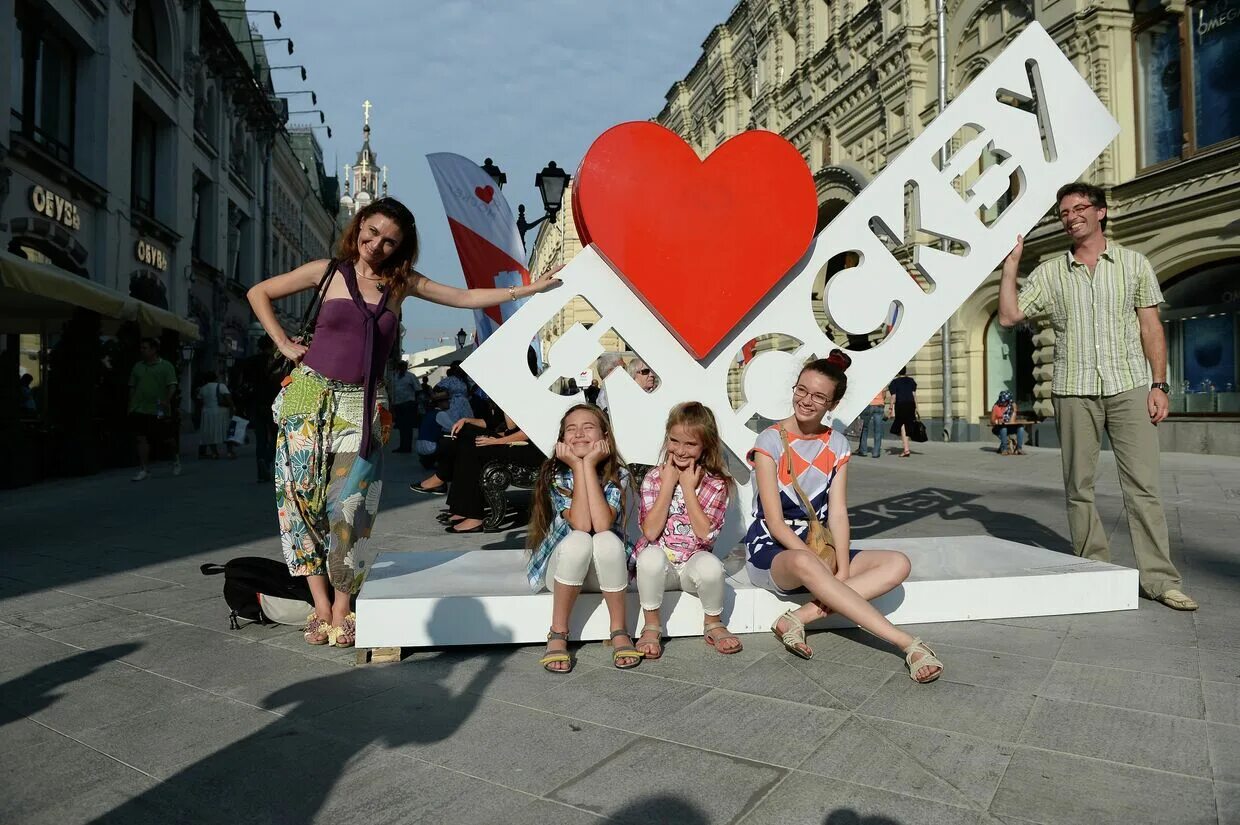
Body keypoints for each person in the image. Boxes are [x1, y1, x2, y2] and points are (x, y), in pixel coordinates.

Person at [247, 196, 561, 648]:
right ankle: (320, 607)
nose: (376, 245)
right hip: (306, 397)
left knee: (350, 506)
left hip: (363, 404)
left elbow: (462, 297)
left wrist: (525, 290)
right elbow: (259, 292)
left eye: (389, 241)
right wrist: (283, 341)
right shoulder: (326, 271)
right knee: (301, 505)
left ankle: (342, 604)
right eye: (371, 233)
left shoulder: (401, 284)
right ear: (358, 228)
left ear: (401, 247)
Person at [999, 181, 1197, 611]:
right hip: (1073, 391)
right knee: (1078, 486)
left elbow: (1151, 327)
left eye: (1080, 208)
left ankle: (1160, 580)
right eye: (1064, 212)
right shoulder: (1051, 271)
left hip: (1128, 385)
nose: (1071, 217)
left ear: (1101, 212)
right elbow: (1010, 314)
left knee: (1143, 486)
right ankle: (1095, 570)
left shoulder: (1133, 264)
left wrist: (1159, 385)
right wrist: (1011, 266)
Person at [744, 351, 943, 682]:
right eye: (802, 390)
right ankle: (906, 643)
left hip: (819, 545)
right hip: (773, 550)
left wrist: (844, 571)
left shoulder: (837, 444)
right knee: (808, 564)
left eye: (819, 396)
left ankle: (797, 618)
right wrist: (820, 564)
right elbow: (775, 522)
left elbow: (837, 512)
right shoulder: (769, 440)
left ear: (831, 405)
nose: (806, 401)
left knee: (898, 563)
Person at [525, 404, 641, 672]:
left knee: (607, 539)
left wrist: (587, 465)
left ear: (604, 436)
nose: (578, 434)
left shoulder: (618, 474)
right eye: (570, 429)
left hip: (605, 572)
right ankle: (558, 631)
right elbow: (580, 523)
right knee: (579, 539)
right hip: (564, 572)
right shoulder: (555, 473)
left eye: (588, 427)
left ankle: (619, 629)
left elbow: (600, 524)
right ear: (562, 439)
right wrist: (578, 467)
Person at [633, 402, 740, 659]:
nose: (680, 450)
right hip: (661, 568)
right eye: (674, 441)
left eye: (690, 444)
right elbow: (650, 532)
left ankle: (713, 622)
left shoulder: (717, 483)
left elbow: (705, 534)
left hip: (692, 562)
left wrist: (689, 489)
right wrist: (669, 483)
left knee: (711, 565)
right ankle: (651, 625)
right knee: (649, 556)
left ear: (706, 445)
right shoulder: (655, 478)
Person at [435, 410, 544, 534]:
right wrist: (466, 420)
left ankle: (474, 517)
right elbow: (493, 421)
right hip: (512, 440)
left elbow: (528, 430)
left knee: (474, 448)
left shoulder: (524, 398)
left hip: (531, 450)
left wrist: (497, 441)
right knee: (466, 432)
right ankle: (460, 509)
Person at [128, 337, 181, 481]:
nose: (142, 350)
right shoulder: (137, 366)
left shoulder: (166, 366)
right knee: (141, 438)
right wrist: (131, 405)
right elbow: (132, 387)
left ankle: (175, 459)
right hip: (140, 408)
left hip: (159, 408)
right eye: (141, 348)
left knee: (167, 438)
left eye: (145, 348)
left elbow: (172, 386)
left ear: (154, 349)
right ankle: (144, 469)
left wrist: (166, 401)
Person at [239, 337, 283, 482]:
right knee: (276, 435)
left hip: (256, 403)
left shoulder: (249, 362)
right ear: (271, 346)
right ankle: (268, 459)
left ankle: (261, 463)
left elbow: (244, 383)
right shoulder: (276, 362)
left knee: (260, 437)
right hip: (273, 402)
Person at [195, 370, 236, 460]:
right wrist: (233, 409)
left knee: (211, 432)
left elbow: (199, 402)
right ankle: (229, 452)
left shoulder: (203, 388)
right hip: (221, 412)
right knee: (226, 431)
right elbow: (229, 399)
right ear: (215, 378)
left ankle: (214, 453)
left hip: (207, 413)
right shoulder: (221, 386)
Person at [414, 388, 453, 469]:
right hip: (429, 447)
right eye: (446, 401)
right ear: (440, 403)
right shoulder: (441, 414)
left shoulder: (429, 413)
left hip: (419, 447)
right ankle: (444, 464)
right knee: (451, 440)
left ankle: (428, 460)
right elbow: (453, 427)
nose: (449, 402)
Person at [887, 367, 918, 458]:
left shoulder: (894, 382)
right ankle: (906, 448)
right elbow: (913, 395)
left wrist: (890, 408)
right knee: (907, 425)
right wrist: (916, 407)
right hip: (911, 404)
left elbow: (893, 397)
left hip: (901, 405)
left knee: (903, 426)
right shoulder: (911, 381)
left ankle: (906, 449)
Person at [390, 361, 419, 453]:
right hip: (397, 404)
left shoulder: (411, 376)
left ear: (406, 367)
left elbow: (418, 389)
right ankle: (402, 446)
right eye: (400, 366)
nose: (401, 368)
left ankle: (408, 447)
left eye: (403, 366)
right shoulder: (394, 377)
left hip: (408, 404)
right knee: (401, 426)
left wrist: (415, 403)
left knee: (408, 427)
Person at [990, 390, 1026, 455]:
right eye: (1002, 401)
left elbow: (1011, 422)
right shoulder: (996, 407)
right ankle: (1004, 449)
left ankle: (1019, 448)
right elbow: (992, 421)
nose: (1003, 403)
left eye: (1005, 402)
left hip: (1009, 427)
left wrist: (1014, 410)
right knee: (1003, 428)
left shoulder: (1010, 407)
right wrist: (997, 421)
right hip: (998, 428)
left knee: (1021, 427)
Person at [857, 387, 887, 458]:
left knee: (864, 428)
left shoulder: (867, 380)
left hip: (868, 404)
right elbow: (884, 394)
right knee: (878, 430)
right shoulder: (882, 380)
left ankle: (863, 451)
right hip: (879, 405)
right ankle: (876, 452)